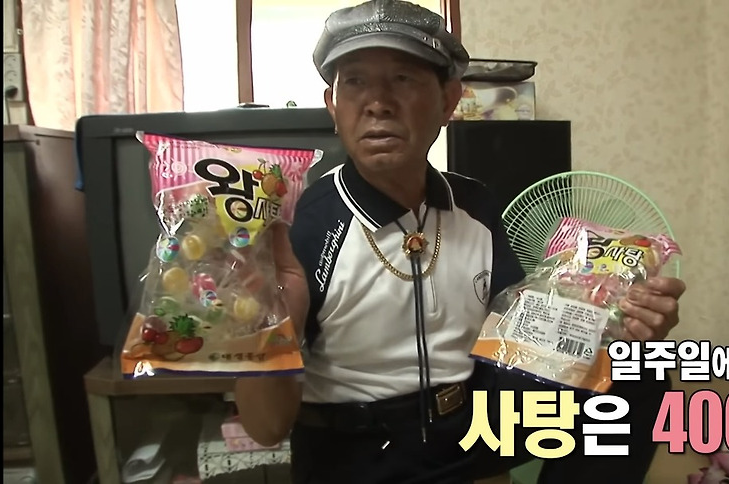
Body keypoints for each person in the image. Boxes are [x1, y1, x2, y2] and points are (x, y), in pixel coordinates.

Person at [234, 1, 687, 483]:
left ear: (449, 101)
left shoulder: (476, 204)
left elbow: (521, 339)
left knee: (641, 367)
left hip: (470, 427)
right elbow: (266, 429)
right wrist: (272, 322)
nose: (378, 102)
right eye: (356, 82)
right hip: (358, 453)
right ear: (332, 104)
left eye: (403, 79)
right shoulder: (299, 225)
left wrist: (617, 316)